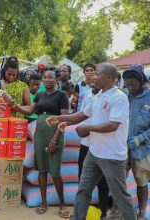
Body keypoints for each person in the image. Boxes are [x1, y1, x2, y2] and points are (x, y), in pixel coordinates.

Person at [46, 63, 137, 220]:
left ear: (108, 77)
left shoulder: (119, 98)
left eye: (97, 74)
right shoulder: (97, 96)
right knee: (83, 190)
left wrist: (88, 128)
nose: (93, 77)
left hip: (112, 156)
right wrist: (60, 118)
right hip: (94, 153)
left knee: (120, 196)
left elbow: (113, 125)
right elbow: (82, 115)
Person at [12, 68, 70, 218]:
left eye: (50, 77)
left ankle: (62, 205)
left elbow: (64, 120)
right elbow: (30, 112)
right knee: (42, 169)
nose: (46, 79)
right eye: (45, 77)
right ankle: (44, 203)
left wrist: (55, 138)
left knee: (55, 171)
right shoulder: (39, 94)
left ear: (56, 79)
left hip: (54, 134)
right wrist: (16, 106)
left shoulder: (62, 95)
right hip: (40, 135)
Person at [62, 81, 110, 219]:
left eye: (97, 81)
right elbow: (81, 115)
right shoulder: (89, 95)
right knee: (82, 179)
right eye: (92, 82)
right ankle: (79, 214)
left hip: (102, 145)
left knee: (103, 181)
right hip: (86, 143)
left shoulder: (113, 99)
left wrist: (89, 130)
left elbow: (110, 124)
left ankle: (104, 213)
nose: (93, 83)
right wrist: (64, 121)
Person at [123, 64, 150, 219]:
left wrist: (140, 138)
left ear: (142, 81)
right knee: (119, 179)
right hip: (122, 146)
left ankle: (141, 212)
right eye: (127, 84)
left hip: (141, 147)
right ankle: (119, 209)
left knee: (141, 180)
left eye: (133, 84)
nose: (130, 87)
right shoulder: (125, 94)